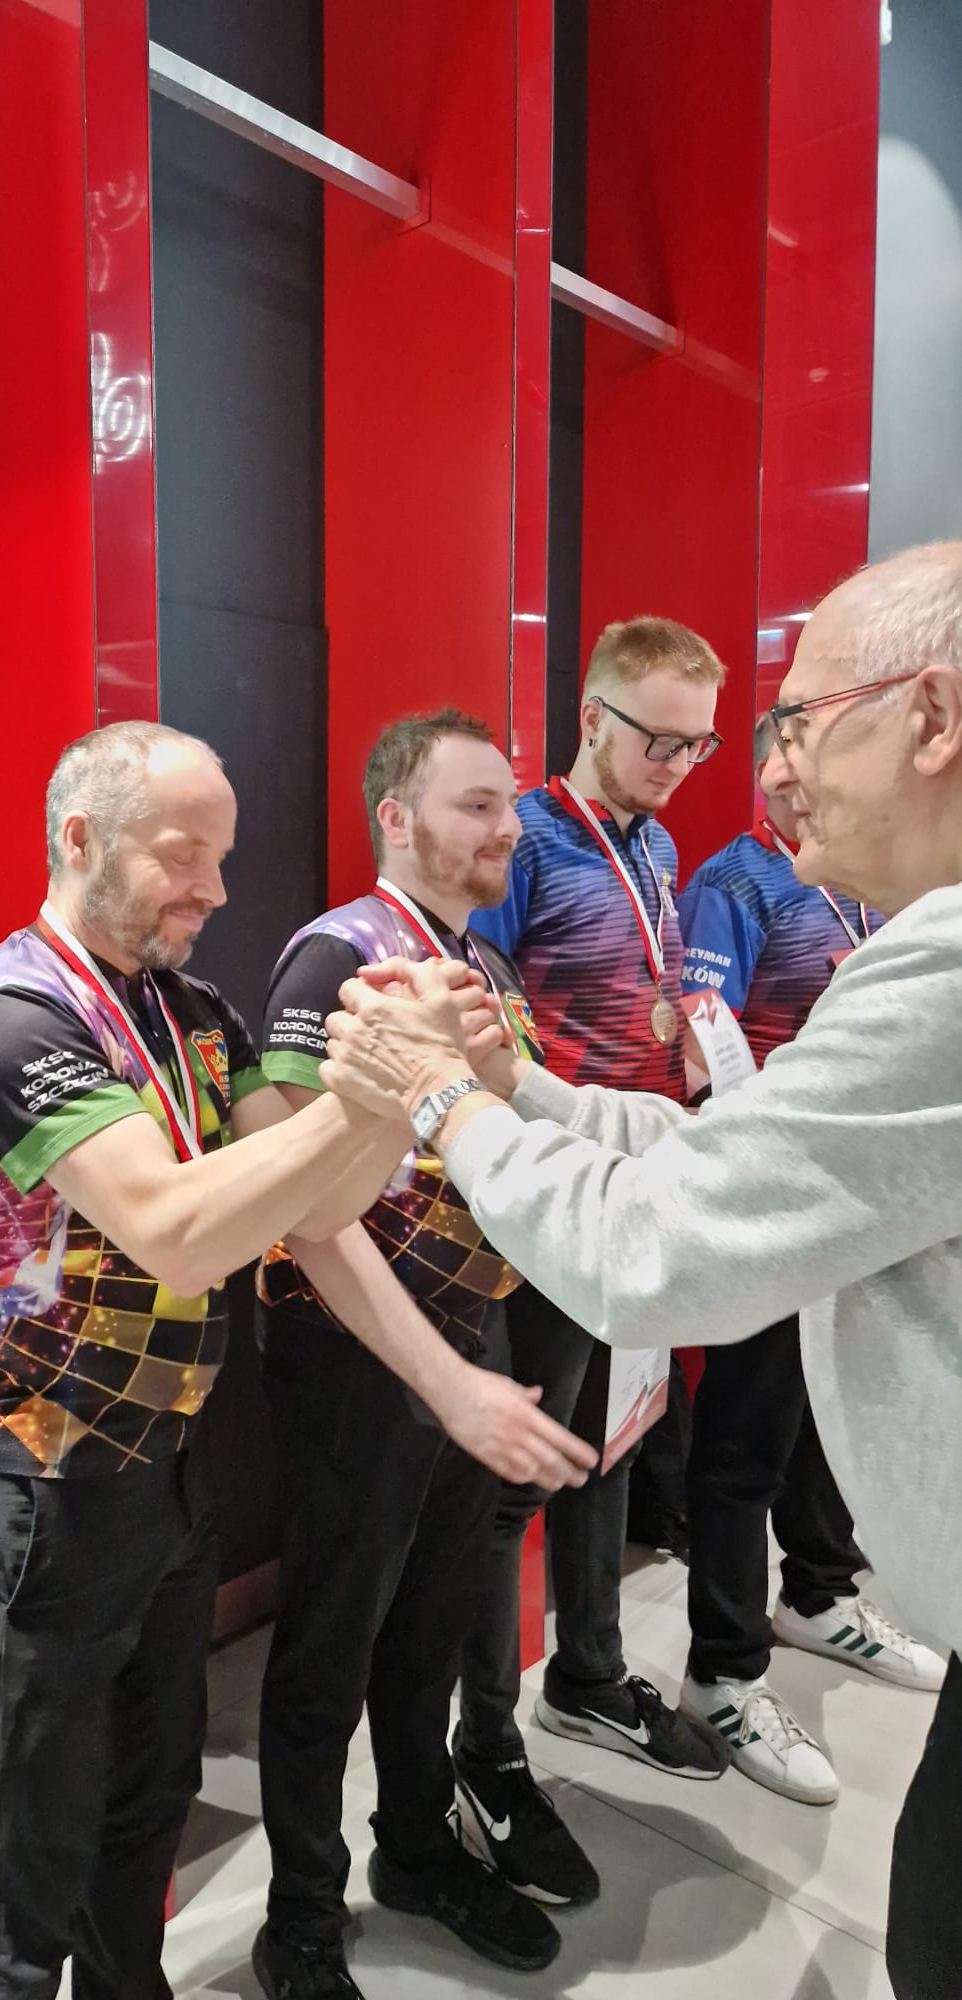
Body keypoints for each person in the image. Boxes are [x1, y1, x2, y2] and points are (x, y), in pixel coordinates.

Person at [317, 540, 962, 2000]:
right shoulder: (355, 948)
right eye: (471, 804)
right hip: (505, 1248)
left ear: (929, 719)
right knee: (461, 1552)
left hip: (580, 1225)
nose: (770, 772)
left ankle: (558, 1708)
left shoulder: (923, 958)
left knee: (578, 1489)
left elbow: (668, 1233)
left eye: (791, 725)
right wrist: (506, 1091)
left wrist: (451, 1096)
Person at [0, 720, 590, 2000]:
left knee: (149, 1796)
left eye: (222, 859)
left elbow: (319, 1209)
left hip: (165, 1463)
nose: (216, 890)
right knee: (35, 1842)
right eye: (186, 855)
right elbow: (176, 1228)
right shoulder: (9, 1013)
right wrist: (377, 1089)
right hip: (37, 1477)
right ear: (81, 838)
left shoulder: (192, 1010)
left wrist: (403, 1103)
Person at [253, 710, 595, 1997]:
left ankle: (415, 1844)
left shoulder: (479, 963)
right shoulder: (338, 955)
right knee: (333, 1638)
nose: (508, 828)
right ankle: (300, 1910)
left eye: (509, 804)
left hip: (475, 1331)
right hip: (359, 1354)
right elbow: (300, 1191)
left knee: (436, 1619)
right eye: (477, 804)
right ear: (395, 816)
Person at [457, 617, 729, 1907]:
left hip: (643, 1185)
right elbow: (481, 1025)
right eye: (658, 737)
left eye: (698, 743)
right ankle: (484, 1741)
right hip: (541, 1202)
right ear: (591, 715)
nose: (677, 763)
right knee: (515, 1478)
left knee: (616, 1440)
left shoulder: (659, 845)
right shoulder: (520, 839)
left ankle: (588, 1671)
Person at [676, 718, 944, 1803]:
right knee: (743, 1442)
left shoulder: (870, 883)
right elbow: (704, 1044)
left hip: (860, 1209)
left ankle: (821, 1594)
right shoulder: (734, 884)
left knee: (827, 1414)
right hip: (776, 1198)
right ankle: (723, 1671)